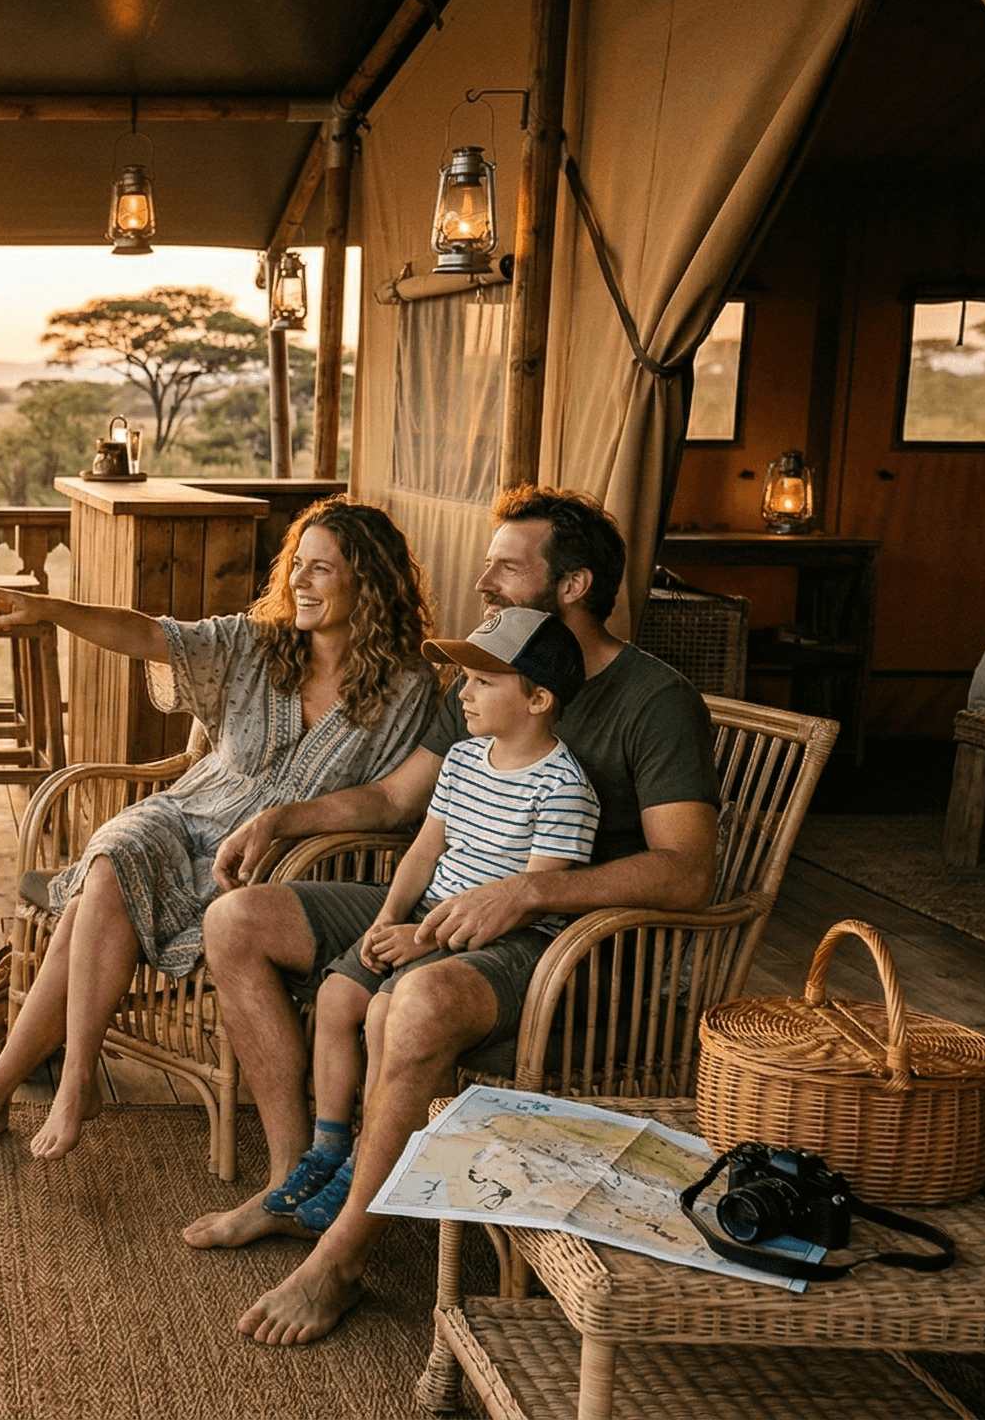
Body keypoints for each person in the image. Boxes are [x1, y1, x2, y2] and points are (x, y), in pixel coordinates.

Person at [183, 486, 721, 1347]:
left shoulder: (653, 700)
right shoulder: (483, 671)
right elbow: (406, 801)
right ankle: (300, 1183)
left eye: (508, 566)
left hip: (565, 948)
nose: (484, 580)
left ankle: (343, 1258)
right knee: (238, 920)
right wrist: (282, 817)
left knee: (417, 1005)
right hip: (447, 903)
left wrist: (529, 891)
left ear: (574, 584)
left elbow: (688, 873)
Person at [0, 498, 443, 1164]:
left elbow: (389, 804)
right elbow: (147, 635)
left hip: (279, 863)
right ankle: (74, 1081)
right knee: (118, 852)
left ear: (369, 583)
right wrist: (52, 610)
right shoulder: (256, 642)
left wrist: (283, 819)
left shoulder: (410, 688)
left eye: (321, 570)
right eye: (297, 565)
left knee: (103, 889)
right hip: (190, 810)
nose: (299, 582)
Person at [268, 606, 598, 1233]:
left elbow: (531, 897)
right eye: (464, 678)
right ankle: (329, 1146)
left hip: (494, 935)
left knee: (383, 1013)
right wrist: (387, 918)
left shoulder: (561, 788)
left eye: (481, 682)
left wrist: (419, 942)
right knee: (339, 999)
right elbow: (426, 850)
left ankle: (366, 1160)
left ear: (539, 698)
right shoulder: (464, 760)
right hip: (423, 918)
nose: (462, 693)